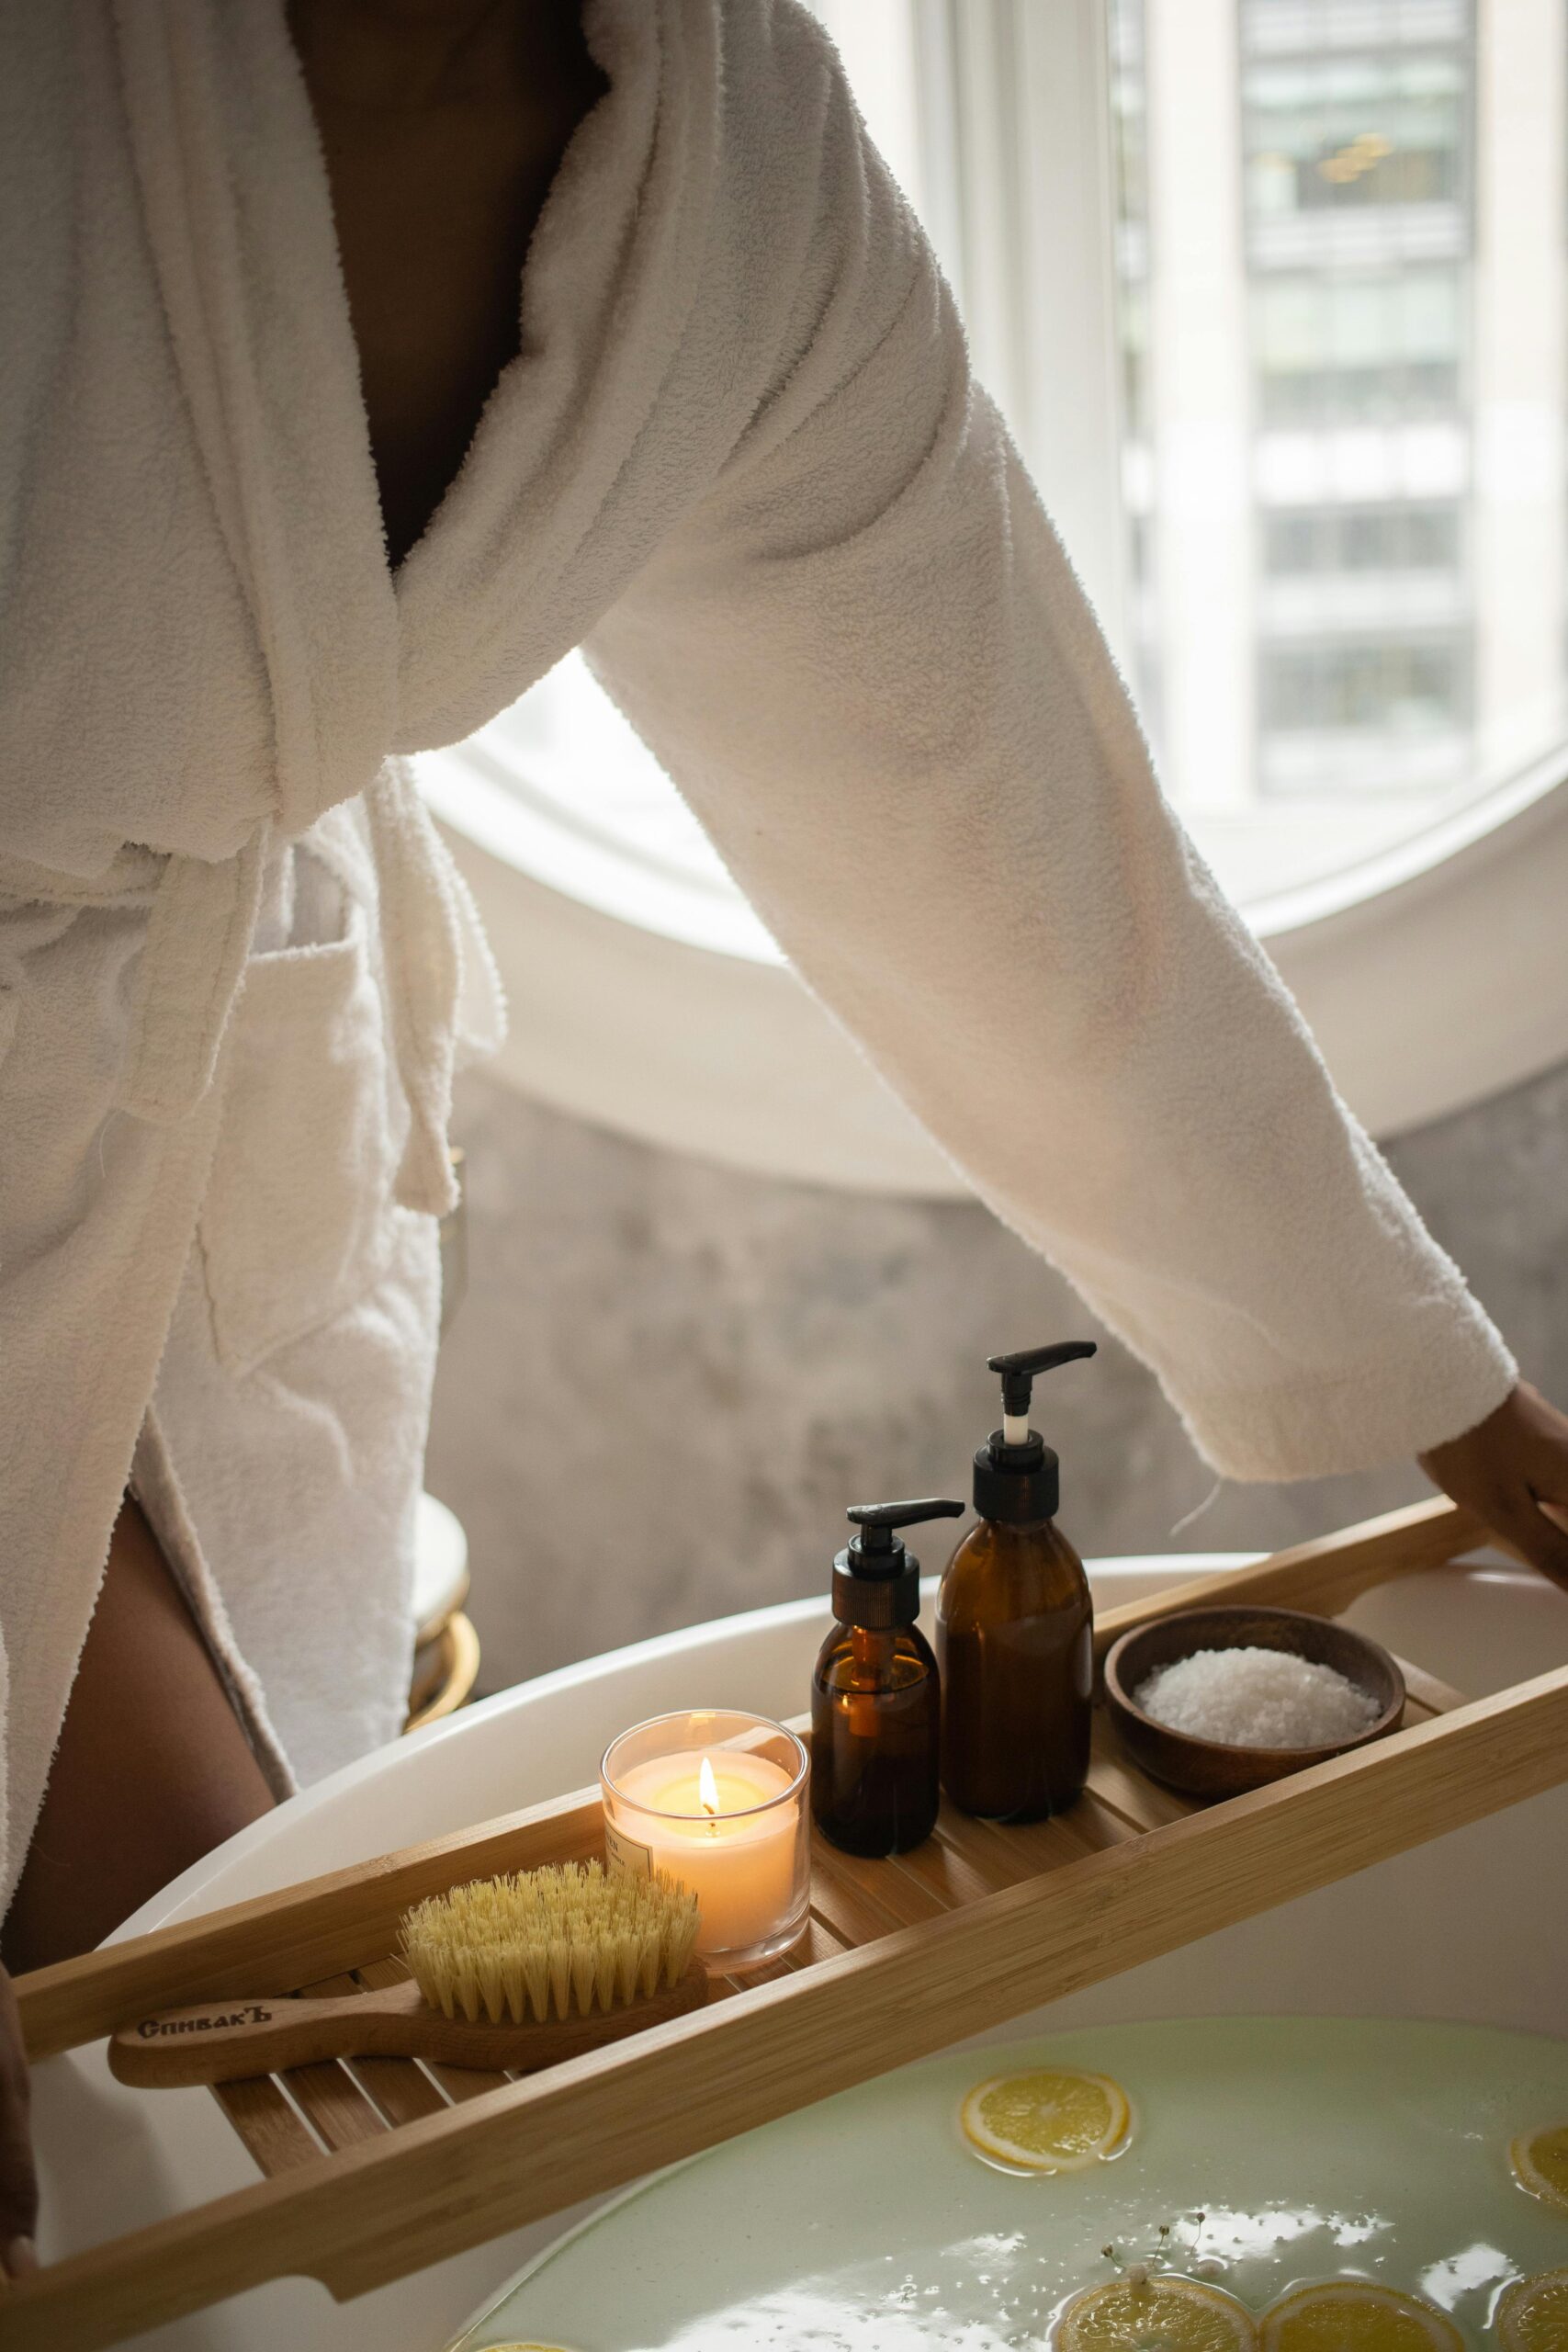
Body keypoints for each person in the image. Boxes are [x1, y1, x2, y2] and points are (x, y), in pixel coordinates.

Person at [2, 0, 1565, 2281]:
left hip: (214, 1119)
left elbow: (988, 798)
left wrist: (1430, 1379)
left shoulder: (709, 114)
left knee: (212, 2056)